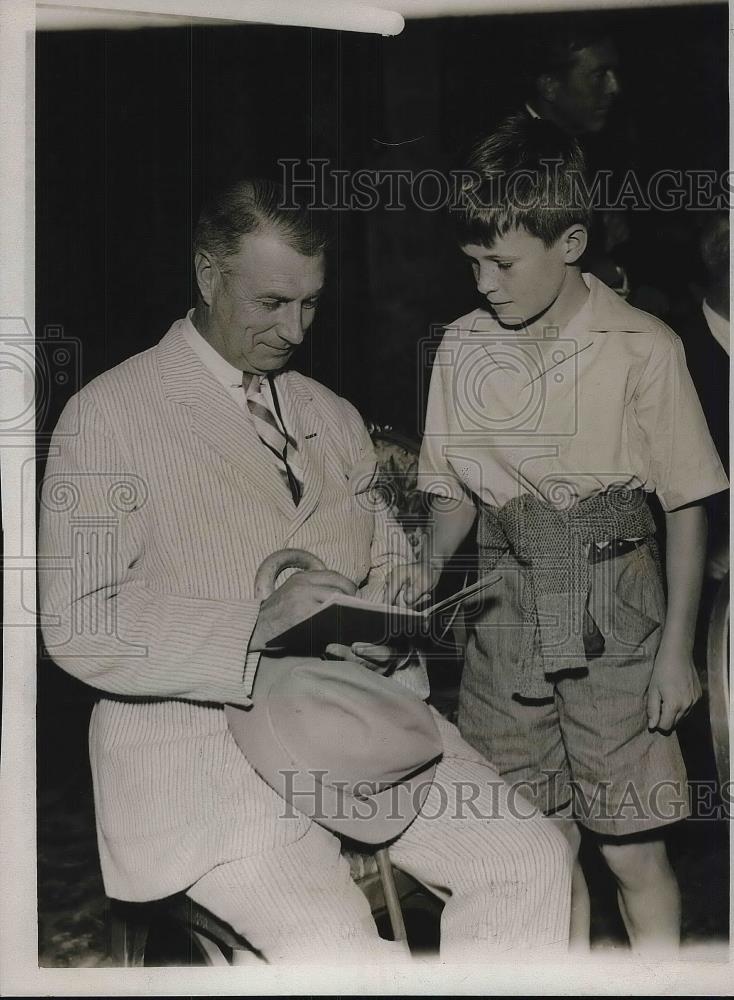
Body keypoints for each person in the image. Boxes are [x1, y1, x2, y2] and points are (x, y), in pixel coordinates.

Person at [38, 178, 572, 965]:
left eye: (311, 305)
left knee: (530, 861)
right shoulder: (105, 415)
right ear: (206, 274)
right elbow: (77, 624)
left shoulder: (332, 415)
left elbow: (387, 556)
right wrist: (256, 625)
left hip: (357, 736)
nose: (294, 330)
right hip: (207, 771)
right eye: (271, 304)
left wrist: (390, 617)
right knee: (341, 952)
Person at [389, 116, 728, 953]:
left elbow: (687, 505)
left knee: (631, 847)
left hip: (622, 622)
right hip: (507, 620)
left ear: (570, 240)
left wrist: (678, 651)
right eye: (472, 262)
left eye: (502, 263)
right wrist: (406, 595)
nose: (484, 284)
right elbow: (455, 497)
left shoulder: (644, 346)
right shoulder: (463, 349)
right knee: (539, 849)